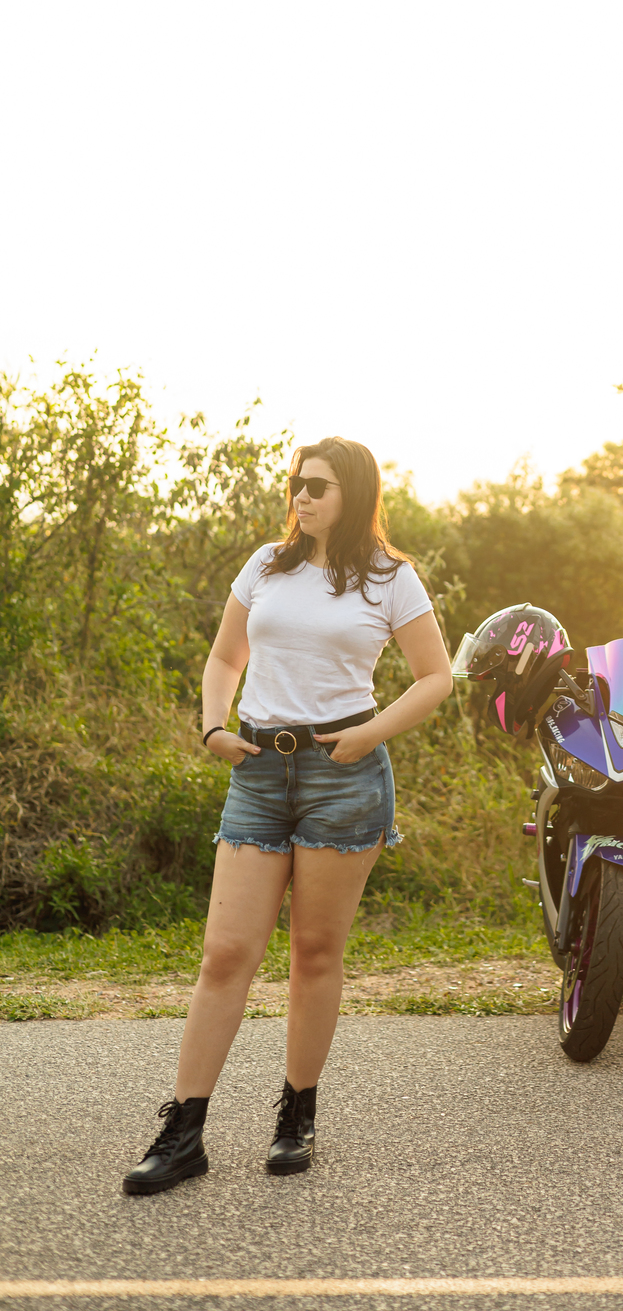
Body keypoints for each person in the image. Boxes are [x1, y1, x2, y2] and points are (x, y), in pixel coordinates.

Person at [122, 437, 453, 1195]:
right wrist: (212, 725)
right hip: (258, 773)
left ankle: (295, 1117)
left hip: (344, 775)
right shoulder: (266, 565)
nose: (301, 496)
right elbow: (223, 658)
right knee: (226, 954)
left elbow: (436, 677)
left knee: (312, 955)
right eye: (297, 484)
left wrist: (369, 732)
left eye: (318, 486)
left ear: (355, 494)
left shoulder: (391, 579)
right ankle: (184, 1132)